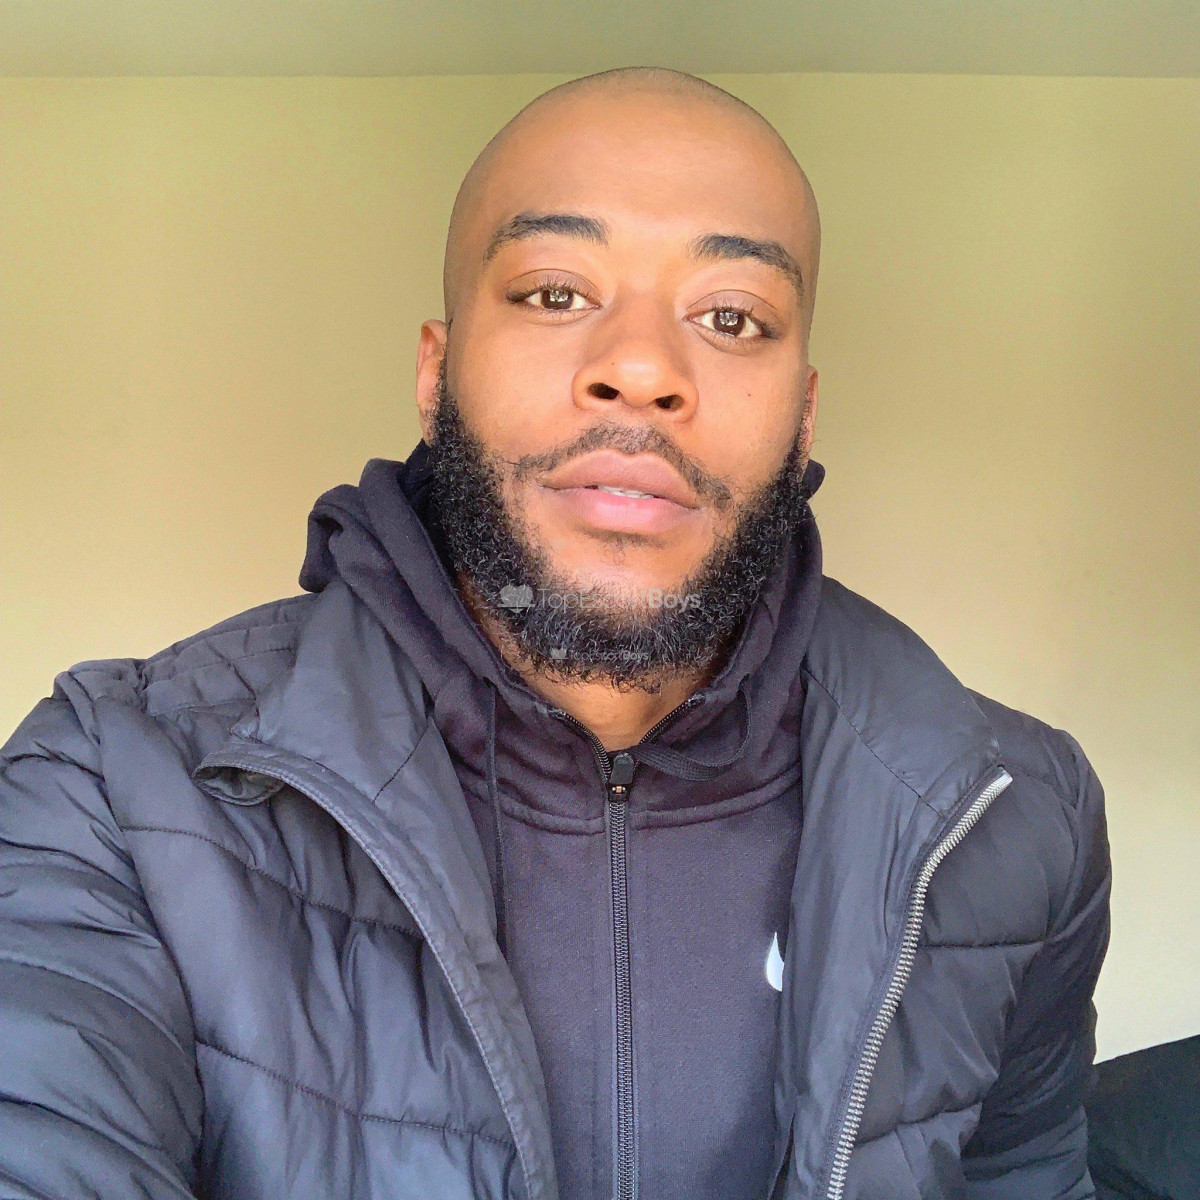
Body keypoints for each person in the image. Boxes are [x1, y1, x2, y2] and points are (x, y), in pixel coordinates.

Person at [0, 67, 1110, 1200]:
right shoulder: (112, 790)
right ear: (436, 374)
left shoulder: (1017, 819)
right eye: (554, 293)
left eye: (731, 317)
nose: (641, 370)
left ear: (804, 415)